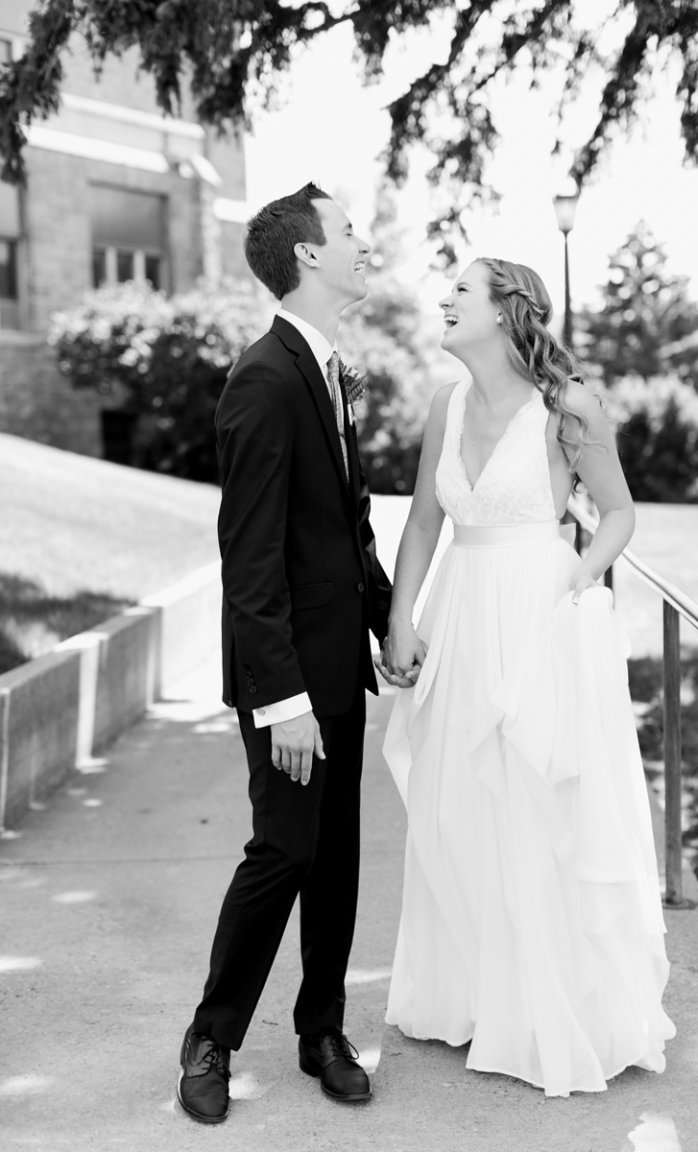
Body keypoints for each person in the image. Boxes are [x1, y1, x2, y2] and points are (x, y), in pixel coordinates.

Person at [378, 258, 675, 1098]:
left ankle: (546, 1005)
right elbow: (426, 520)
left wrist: (584, 574)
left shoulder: (566, 405)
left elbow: (617, 511)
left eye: (461, 291)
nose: (444, 299)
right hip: (460, 612)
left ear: (508, 311)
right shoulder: (446, 404)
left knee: (531, 800)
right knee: (458, 799)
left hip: (534, 610)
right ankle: (475, 995)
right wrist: (402, 617)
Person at [177, 183, 392, 1123]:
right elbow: (250, 555)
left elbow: (347, 527)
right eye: (348, 231)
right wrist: (284, 700)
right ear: (308, 255)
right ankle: (210, 1037)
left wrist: (389, 623)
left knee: (335, 856)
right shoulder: (263, 378)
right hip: (289, 684)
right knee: (282, 853)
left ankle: (320, 1029)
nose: (362, 242)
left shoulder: (331, 368)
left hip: (339, 665)